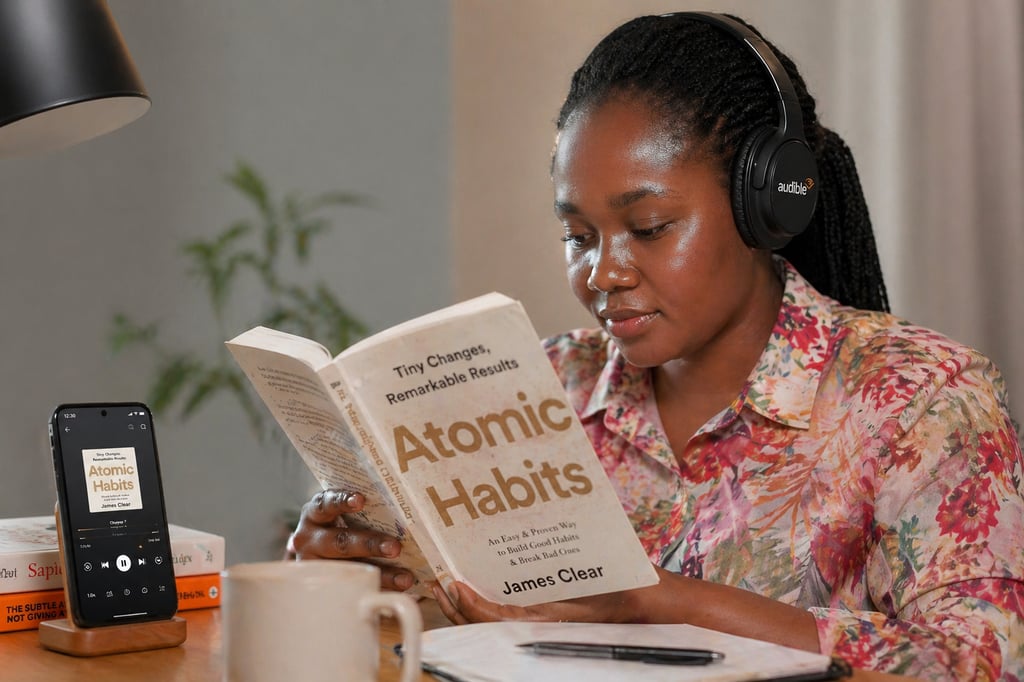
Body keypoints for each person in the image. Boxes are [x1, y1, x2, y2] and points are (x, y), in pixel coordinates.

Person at [289, 12, 1024, 680]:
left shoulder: (922, 398)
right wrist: (352, 581)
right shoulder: (538, 388)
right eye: (577, 237)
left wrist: (655, 604)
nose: (603, 272)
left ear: (767, 205)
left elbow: (977, 663)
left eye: (647, 228)